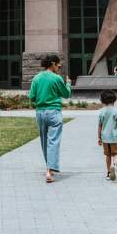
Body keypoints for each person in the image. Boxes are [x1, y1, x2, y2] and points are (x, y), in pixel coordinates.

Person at [28, 53, 71, 183]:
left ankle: (49, 168)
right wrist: (68, 84)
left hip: (40, 113)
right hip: (54, 112)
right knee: (53, 141)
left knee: (44, 141)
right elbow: (66, 94)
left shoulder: (36, 78)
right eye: (58, 65)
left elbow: (32, 97)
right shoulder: (57, 78)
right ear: (53, 64)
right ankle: (50, 170)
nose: (59, 67)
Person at [98, 90, 117, 181]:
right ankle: (114, 165)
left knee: (108, 155)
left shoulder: (101, 112)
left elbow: (100, 126)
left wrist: (99, 137)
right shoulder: (116, 111)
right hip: (114, 137)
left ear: (102, 101)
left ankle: (108, 173)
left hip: (105, 137)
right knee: (116, 153)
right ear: (114, 100)